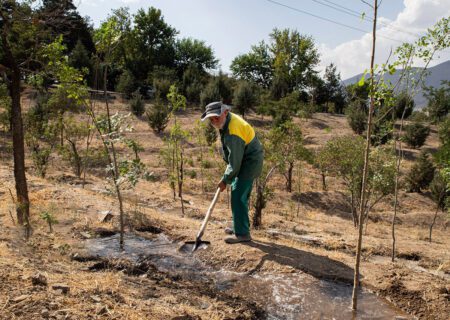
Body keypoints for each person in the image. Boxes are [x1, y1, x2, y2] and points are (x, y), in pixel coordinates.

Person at [201, 101, 264, 244]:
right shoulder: (226, 121)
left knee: (238, 195)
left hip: (249, 162)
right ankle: (239, 226)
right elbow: (233, 158)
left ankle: (242, 234)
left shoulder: (233, 130)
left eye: (216, 117)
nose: (214, 121)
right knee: (239, 195)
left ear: (225, 112)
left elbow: (235, 162)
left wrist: (225, 180)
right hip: (243, 160)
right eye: (211, 119)